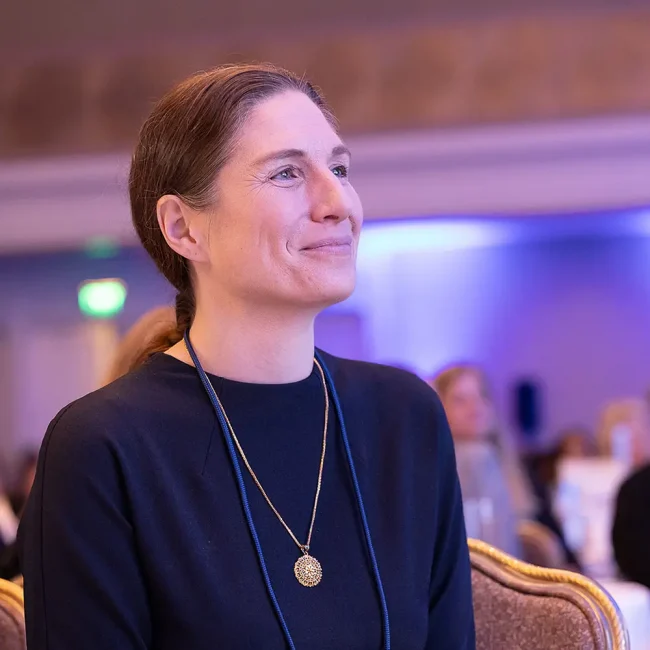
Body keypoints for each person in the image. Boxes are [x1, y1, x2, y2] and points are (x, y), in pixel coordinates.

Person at [19, 64, 475, 650]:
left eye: (339, 168)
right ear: (184, 228)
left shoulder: (405, 416)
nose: (338, 201)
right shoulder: (104, 446)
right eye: (287, 173)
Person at [432, 364, 535, 558]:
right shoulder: (450, 465)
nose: (475, 407)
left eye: (481, 395)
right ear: (439, 407)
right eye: (460, 400)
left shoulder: (502, 458)